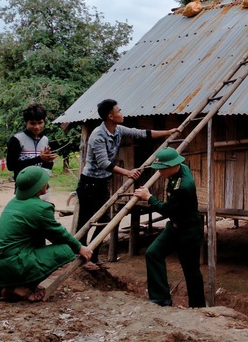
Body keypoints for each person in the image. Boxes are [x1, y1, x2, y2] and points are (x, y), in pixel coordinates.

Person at [76, 99, 178, 270]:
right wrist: (128, 172)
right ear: (110, 116)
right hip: (89, 183)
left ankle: (93, 256)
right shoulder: (97, 135)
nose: (121, 113)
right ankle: (81, 259)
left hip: (102, 183)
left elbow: (141, 133)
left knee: (105, 220)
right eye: (119, 111)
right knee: (86, 221)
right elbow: (103, 163)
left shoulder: (118, 130)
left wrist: (168, 132)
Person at [0, 166, 92, 302]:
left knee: (37, 242)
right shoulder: (40, 208)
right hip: (13, 264)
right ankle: (23, 288)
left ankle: (11, 287)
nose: (47, 183)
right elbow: (58, 234)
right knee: (65, 249)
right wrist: (79, 247)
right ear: (37, 186)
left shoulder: (13, 203)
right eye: (44, 181)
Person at [134, 147, 206, 308]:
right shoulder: (181, 168)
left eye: (162, 169)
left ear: (172, 167)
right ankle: (161, 299)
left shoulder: (183, 186)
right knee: (153, 253)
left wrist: (149, 197)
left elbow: (166, 210)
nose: (160, 173)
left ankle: (198, 307)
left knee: (191, 270)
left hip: (188, 231)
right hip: (174, 227)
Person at [6, 103, 58, 200]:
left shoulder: (45, 140)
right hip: (24, 190)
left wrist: (48, 161)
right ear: (26, 122)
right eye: (32, 123)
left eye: (40, 123)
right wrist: (39, 158)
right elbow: (11, 166)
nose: (37, 127)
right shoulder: (16, 140)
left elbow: (47, 168)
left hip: (43, 189)